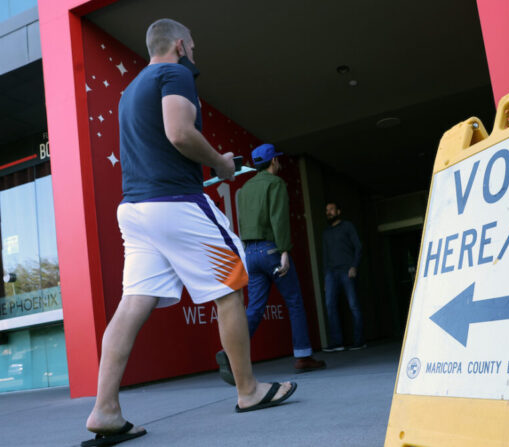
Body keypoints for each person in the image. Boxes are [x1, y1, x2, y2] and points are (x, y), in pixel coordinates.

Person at [82, 19, 296, 447]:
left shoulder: (131, 91)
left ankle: (105, 410)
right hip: (175, 206)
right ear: (179, 45)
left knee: (131, 304)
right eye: (193, 46)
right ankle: (248, 391)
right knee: (232, 284)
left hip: (135, 210)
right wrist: (220, 162)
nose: (195, 54)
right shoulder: (174, 73)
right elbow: (179, 133)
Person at [216, 144, 325, 384]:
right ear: (273, 162)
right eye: (277, 159)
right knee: (294, 301)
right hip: (272, 250)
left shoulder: (244, 190)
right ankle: (303, 356)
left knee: (254, 308)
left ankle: (230, 354)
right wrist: (285, 250)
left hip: (251, 254)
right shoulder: (275, 184)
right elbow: (279, 219)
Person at [321, 202, 365, 352]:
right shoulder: (326, 233)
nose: (329, 212)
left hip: (347, 270)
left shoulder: (348, 226)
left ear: (339, 211)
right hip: (331, 273)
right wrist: (325, 278)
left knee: (353, 305)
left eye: (332, 209)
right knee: (330, 306)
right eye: (327, 210)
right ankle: (337, 343)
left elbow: (358, 246)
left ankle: (359, 341)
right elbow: (325, 257)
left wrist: (354, 266)